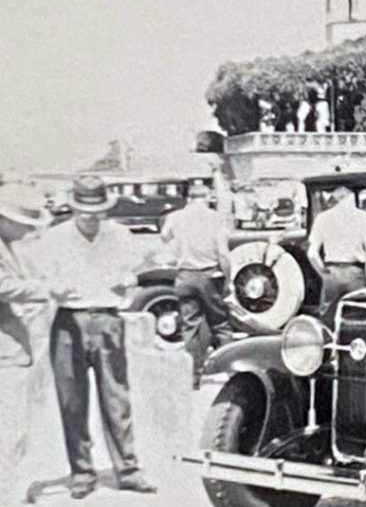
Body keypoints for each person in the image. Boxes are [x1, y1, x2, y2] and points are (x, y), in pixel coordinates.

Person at [34, 176, 155, 499]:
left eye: (96, 210)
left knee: (117, 400)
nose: (90, 216)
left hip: (107, 318)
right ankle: (82, 472)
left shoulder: (120, 235)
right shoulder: (53, 238)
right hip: (68, 320)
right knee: (72, 400)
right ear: (73, 207)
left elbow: (143, 264)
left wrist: (129, 278)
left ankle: (128, 470)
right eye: (83, 210)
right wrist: (53, 288)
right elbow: (38, 277)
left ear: (105, 209)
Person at [0, 182, 75, 505]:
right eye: (24, 223)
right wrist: (47, 289)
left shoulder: (8, 245)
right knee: (11, 430)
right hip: (6, 352)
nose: (28, 231)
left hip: (11, 347)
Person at [160, 183, 233, 380]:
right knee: (221, 324)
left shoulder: (175, 217)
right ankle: (228, 370)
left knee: (190, 326)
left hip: (185, 275)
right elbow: (223, 253)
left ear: (188, 198)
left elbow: (164, 236)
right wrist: (229, 277)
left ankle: (193, 374)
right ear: (208, 197)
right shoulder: (216, 219)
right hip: (208, 274)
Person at [307, 185, 366, 319]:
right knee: (359, 316)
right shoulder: (365, 218)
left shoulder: (322, 218)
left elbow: (312, 254)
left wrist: (323, 272)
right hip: (356, 272)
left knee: (328, 316)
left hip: (331, 272)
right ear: (350, 198)